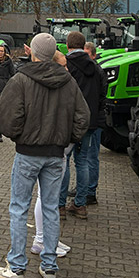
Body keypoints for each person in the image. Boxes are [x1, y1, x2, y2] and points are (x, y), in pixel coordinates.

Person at [0, 33, 89, 278]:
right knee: (50, 209)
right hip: (56, 154)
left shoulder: (21, 79)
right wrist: (67, 139)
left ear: (32, 52)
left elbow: (4, 116)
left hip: (28, 153)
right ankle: (49, 266)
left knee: (18, 208)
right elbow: (83, 116)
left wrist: (19, 135)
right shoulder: (68, 81)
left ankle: (16, 267)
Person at [59, 31, 105, 220]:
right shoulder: (96, 68)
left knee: (63, 161)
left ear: (68, 45)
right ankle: (80, 204)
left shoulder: (65, 66)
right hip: (90, 121)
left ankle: (60, 205)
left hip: (69, 121)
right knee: (83, 160)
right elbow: (102, 95)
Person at [31, 49, 72, 258]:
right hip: (52, 147)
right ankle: (42, 240)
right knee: (46, 197)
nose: (67, 69)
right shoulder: (54, 85)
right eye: (63, 65)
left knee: (48, 196)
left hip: (54, 146)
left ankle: (48, 238)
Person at [83, 41, 108, 205]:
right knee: (85, 158)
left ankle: (90, 191)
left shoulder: (96, 72)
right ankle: (84, 188)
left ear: (93, 54)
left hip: (94, 121)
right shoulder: (94, 71)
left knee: (91, 157)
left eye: (86, 54)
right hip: (92, 120)